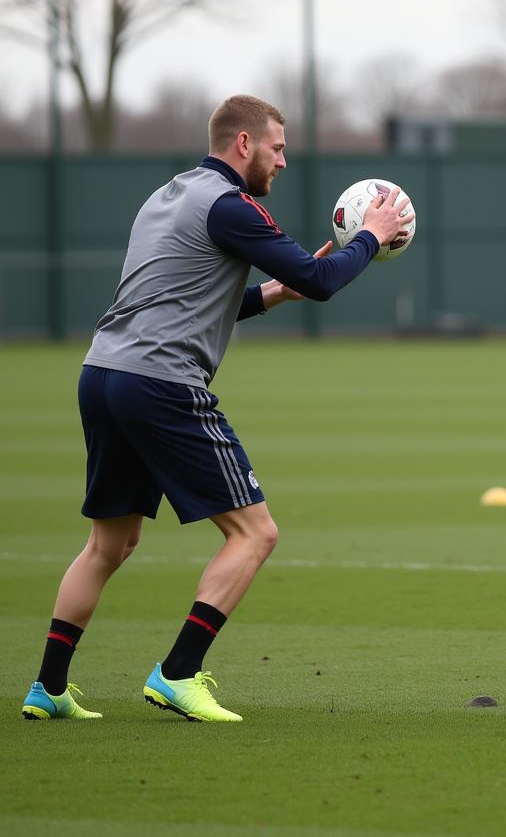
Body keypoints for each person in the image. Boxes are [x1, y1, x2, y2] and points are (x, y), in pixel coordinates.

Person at [21, 94, 412, 723]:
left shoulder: (168, 195)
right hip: (160, 383)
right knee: (256, 533)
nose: (283, 161)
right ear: (244, 145)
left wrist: (273, 295)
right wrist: (371, 235)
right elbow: (323, 281)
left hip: (102, 374)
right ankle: (177, 674)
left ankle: (48, 689)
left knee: (109, 544)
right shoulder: (232, 207)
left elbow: (189, 298)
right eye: (278, 148)